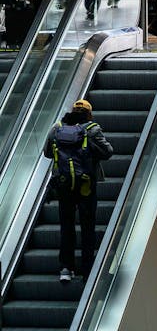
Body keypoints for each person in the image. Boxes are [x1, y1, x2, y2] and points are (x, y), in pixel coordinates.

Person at [44, 99, 112, 282]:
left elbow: (48, 153)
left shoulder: (57, 128)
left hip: (64, 185)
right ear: (89, 114)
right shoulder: (92, 129)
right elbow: (107, 152)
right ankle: (87, 271)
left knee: (67, 226)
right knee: (87, 227)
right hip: (86, 185)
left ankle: (66, 268)